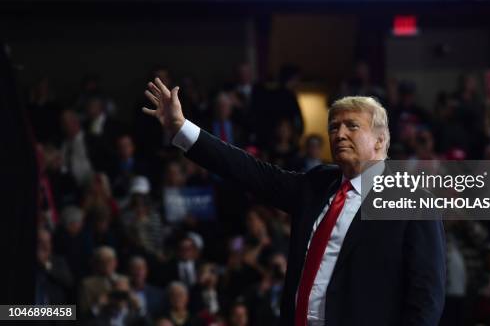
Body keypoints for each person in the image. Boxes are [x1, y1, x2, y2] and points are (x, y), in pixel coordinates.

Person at [143, 78, 446, 326]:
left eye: (351, 126)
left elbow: (426, 298)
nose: (339, 134)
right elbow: (250, 172)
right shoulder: (317, 184)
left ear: (380, 140)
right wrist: (182, 129)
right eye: (333, 127)